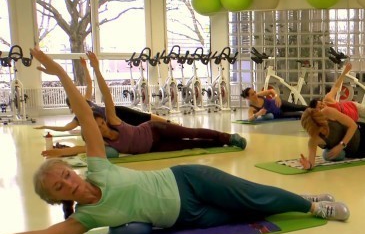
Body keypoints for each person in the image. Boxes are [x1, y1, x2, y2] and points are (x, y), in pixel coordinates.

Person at [0, 48, 350, 234]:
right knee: (248, 214)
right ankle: (309, 201)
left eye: (64, 175)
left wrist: (60, 72)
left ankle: (312, 206)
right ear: (58, 198)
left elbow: (84, 115)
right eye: (60, 187)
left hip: (187, 181)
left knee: (252, 196)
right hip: (186, 217)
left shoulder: (97, 169)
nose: (68, 182)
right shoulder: (85, 219)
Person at [40, 51, 247, 158]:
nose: (101, 127)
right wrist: (57, 152)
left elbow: (105, 94)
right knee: (189, 144)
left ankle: (228, 137)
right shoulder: (101, 142)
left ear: (103, 120)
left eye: (101, 124)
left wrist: (95, 68)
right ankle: (219, 144)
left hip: (154, 130)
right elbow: (78, 150)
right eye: (98, 127)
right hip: (152, 148)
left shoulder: (112, 119)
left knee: (190, 131)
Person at [35, 56, 169, 133]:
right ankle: (166, 129)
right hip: (114, 122)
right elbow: (65, 128)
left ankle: (170, 123)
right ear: (72, 106)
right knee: (143, 126)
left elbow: (89, 83)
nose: (79, 99)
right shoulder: (78, 118)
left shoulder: (86, 100)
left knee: (144, 116)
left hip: (117, 111)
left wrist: (85, 66)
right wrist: (46, 126)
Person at [241, 87, 307, 121]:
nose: (255, 95)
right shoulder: (252, 108)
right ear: (247, 97)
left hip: (281, 104)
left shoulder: (258, 95)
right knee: (299, 114)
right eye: (252, 94)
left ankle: (315, 108)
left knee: (299, 107)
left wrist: (276, 96)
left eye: (254, 92)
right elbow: (249, 119)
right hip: (279, 114)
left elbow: (271, 91)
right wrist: (258, 114)